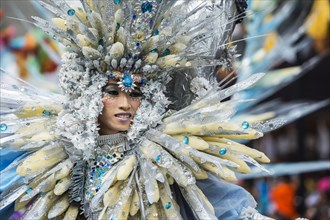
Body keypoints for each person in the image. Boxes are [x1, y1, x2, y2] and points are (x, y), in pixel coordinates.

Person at [0, 0, 275, 219]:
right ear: (90, 96)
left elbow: (215, 205)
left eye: (135, 94)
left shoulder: (159, 157)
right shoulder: (55, 152)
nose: (125, 104)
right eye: (112, 92)